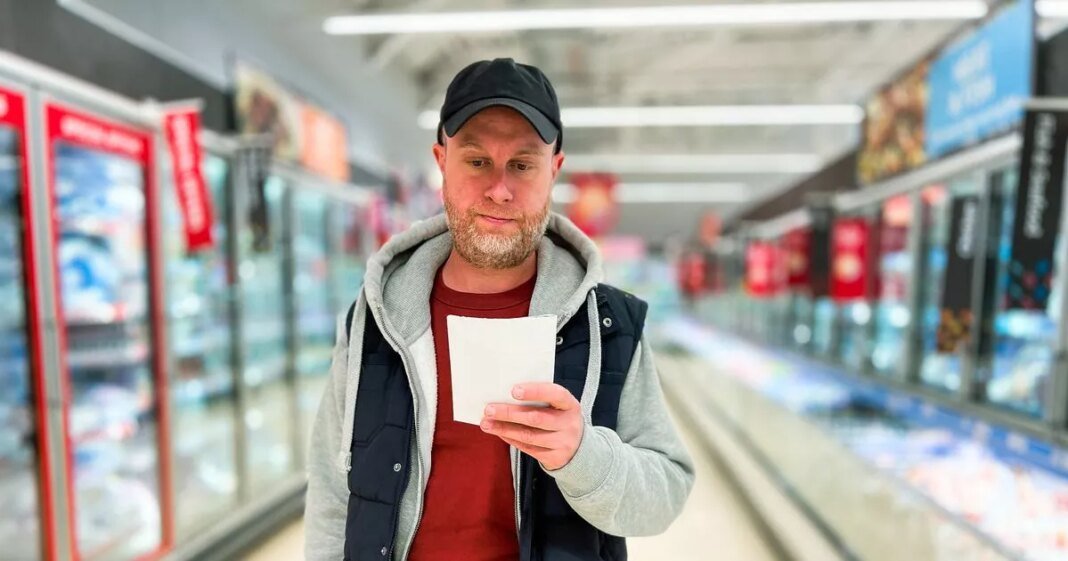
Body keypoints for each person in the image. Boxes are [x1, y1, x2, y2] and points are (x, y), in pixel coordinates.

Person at [305, 58, 694, 561]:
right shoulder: (375, 320)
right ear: (441, 161)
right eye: (477, 161)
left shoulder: (610, 326)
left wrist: (583, 455)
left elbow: (666, 492)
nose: (500, 189)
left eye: (523, 164)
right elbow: (332, 494)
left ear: (553, 170)